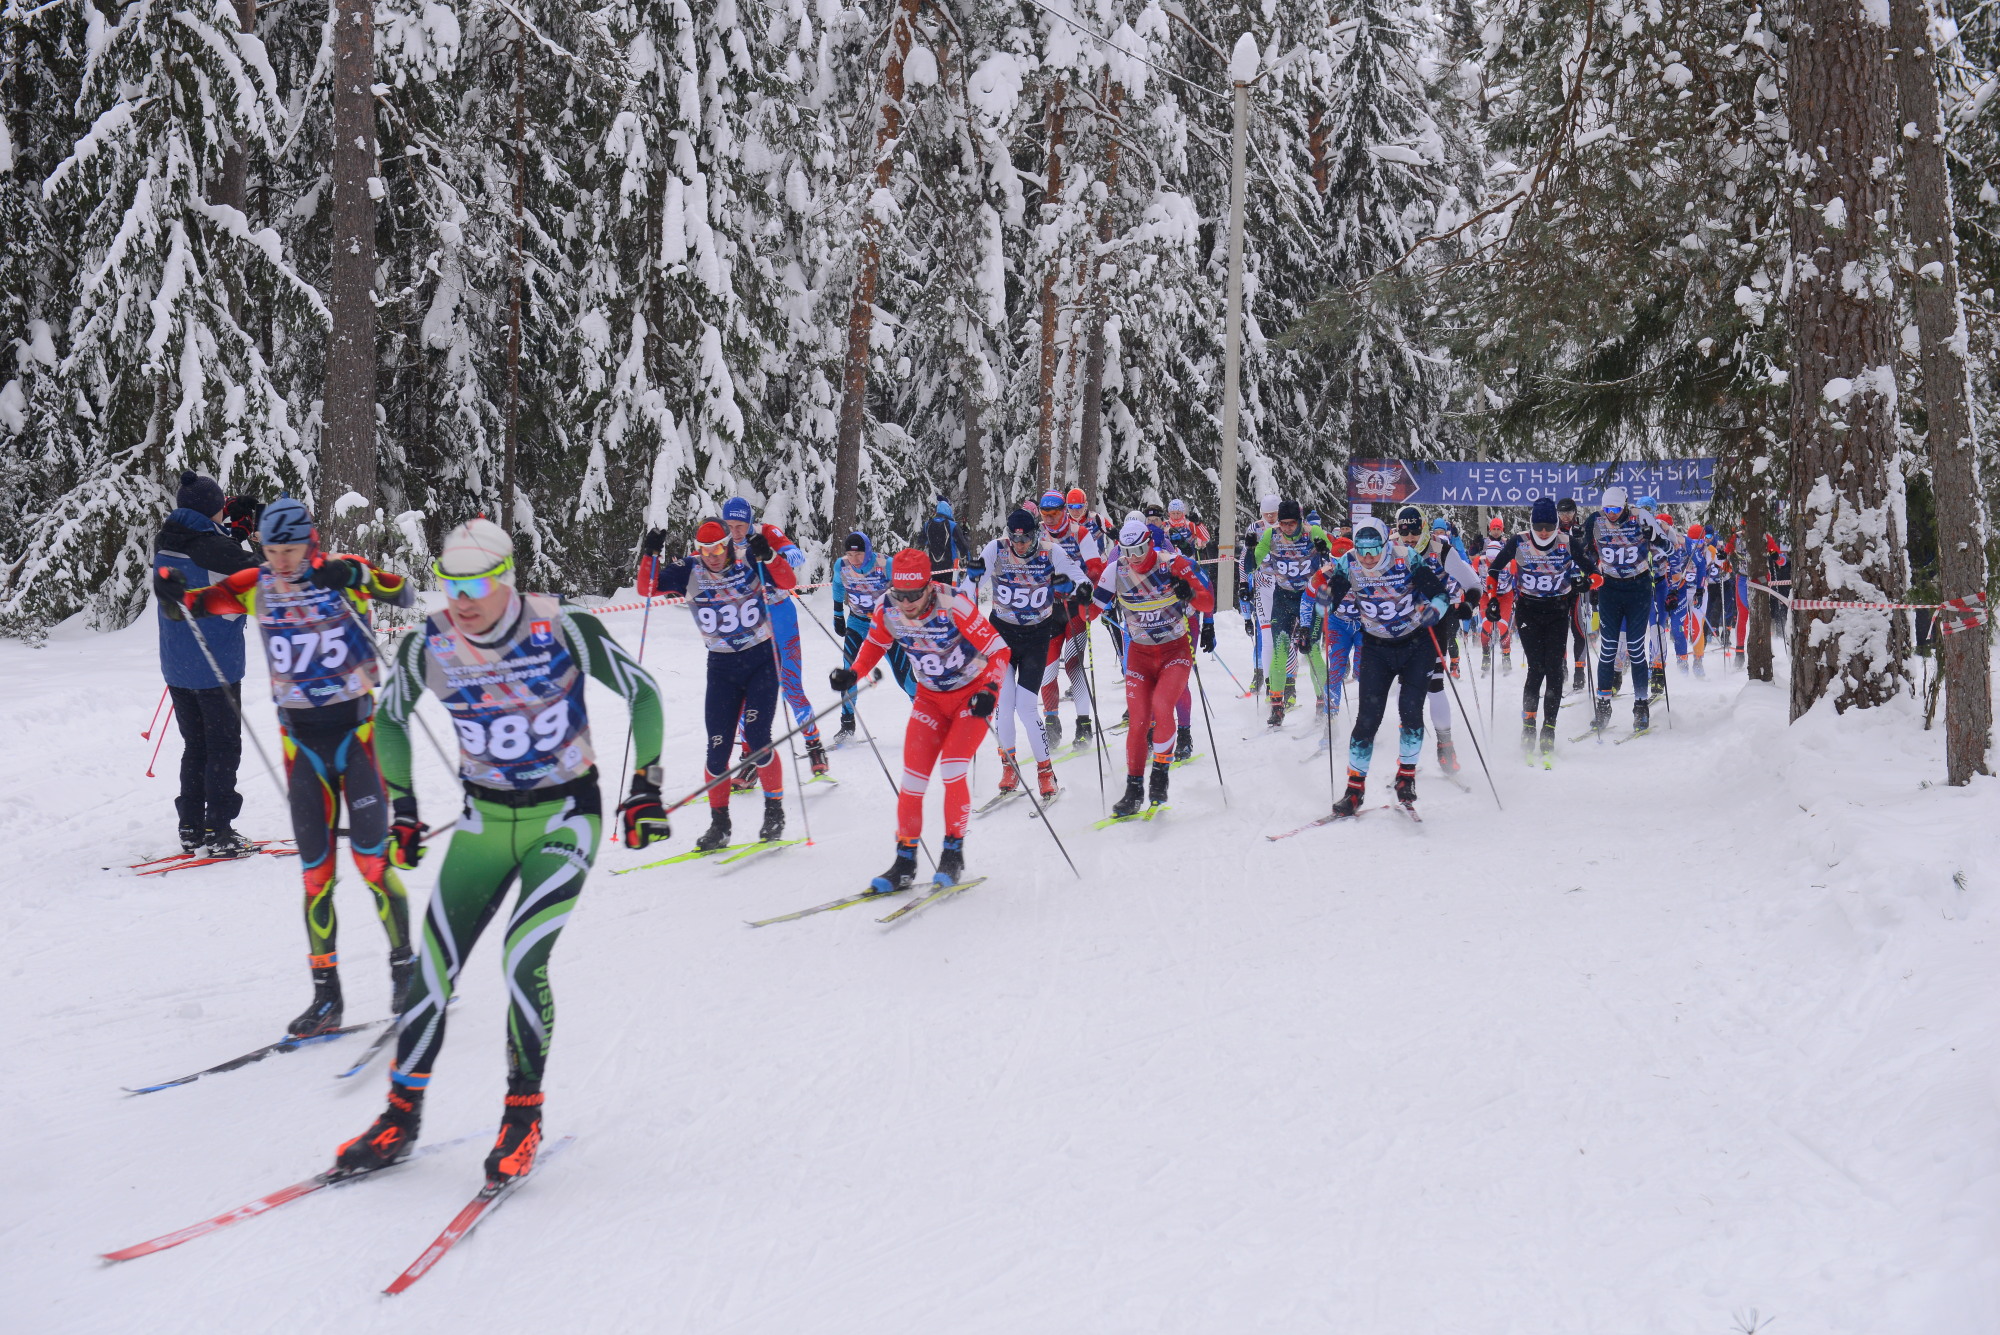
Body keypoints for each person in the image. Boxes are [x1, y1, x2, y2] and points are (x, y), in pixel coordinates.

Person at [333, 518, 667, 1189]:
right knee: (431, 969)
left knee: (522, 958)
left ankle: (522, 1116)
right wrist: (404, 807)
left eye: (476, 585)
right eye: (449, 584)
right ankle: (401, 1115)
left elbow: (643, 692)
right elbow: (389, 718)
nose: (460, 599)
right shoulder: (431, 642)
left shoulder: (562, 627)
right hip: (484, 820)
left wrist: (645, 787)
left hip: (564, 817)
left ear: (506, 579)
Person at [156, 496, 418, 1036]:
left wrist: (356, 576)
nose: (280, 561)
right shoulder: (257, 585)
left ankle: (405, 973)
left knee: (372, 866)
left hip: (356, 742)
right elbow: (193, 607)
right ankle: (327, 998)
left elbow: (404, 592)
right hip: (303, 752)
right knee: (316, 877)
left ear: (309, 542)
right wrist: (171, 594)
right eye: (272, 550)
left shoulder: (341, 572)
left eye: (290, 550)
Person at [829, 548, 1009, 892]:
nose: (906, 603)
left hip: (971, 695)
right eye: (900, 594)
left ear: (929, 586)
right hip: (930, 698)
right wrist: (854, 673)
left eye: (913, 595)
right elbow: (875, 643)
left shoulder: (953, 604)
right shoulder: (887, 607)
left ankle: (952, 855)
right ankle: (905, 862)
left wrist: (991, 688)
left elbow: (999, 649)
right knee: (913, 779)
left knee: (952, 769)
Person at [639, 520, 795, 850]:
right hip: (722, 667)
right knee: (716, 751)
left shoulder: (748, 559)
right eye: (705, 550)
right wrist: (650, 553)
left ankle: (774, 811)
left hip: (761, 660)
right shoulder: (689, 570)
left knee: (758, 739)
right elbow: (647, 588)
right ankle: (720, 824)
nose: (712, 556)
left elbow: (787, 582)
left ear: (729, 545)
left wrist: (770, 557)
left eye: (718, 548)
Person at [1306, 517, 1451, 815]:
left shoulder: (1405, 557)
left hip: (1415, 645)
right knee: (1367, 719)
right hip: (1376, 646)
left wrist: (1436, 610)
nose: (1368, 557)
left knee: (1410, 711)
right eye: (1363, 550)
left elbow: (1440, 594)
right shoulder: (1348, 562)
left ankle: (1406, 778)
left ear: (1386, 544)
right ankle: (1354, 790)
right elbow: (1328, 601)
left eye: (1374, 550)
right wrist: (1324, 601)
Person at [152, 470, 258, 854]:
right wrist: (251, 537)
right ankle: (219, 831)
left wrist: (234, 531)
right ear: (212, 508)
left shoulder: (169, 537)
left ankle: (192, 826)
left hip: (178, 666)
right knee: (223, 748)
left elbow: (212, 553)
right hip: (215, 666)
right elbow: (258, 571)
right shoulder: (213, 549)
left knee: (196, 746)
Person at [1083, 518, 1215, 817]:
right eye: (1127, 551)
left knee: (1162, 704)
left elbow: (1208, 603)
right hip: (1140, 656)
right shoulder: (1115, 570)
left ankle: (1159, 774)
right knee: (1139, 720)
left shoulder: (1173, 564)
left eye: (1140, 550)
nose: (1134, 558)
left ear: (1150, 544)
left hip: (1174, 651)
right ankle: (1133, 790)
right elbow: (1089, 613)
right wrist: (1076, 597)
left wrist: (1190, 594)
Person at [972, 509, 1089, 800]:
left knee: (1026, 707)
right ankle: (1009, 767)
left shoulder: (1051, 552)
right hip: (1001, 638)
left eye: (1025, 539)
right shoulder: (996, 549)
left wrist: (1073, 588)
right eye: (1015, 539)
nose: (1020, 544)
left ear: (1035, 535)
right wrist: (970, 580)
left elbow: (1082, 581)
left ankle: (1045, 773)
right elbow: (968, 586)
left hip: (1036, 637)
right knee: (1004, 704)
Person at [718, 498, 826, 778]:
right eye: (729, 526)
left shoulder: (767, 532)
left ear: (749, 522)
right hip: (748, 623)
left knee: (791, 686)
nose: (735, 532)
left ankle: (814, 745)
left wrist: (770, 555)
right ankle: (750, 759)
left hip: (779, 616)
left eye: (740, 526)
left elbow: (797, 557)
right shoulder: (725, 543)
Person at [1482, 497, 1595, 758]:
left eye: (1549, 527)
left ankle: (1549, 729)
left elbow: (1595, 573)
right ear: (1531, 525)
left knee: (1554, 670)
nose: (1544, 532)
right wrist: (1492, 599)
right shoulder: (1519, 541)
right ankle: (1529, 727)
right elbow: (1494, 570)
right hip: (1528, 611)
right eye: (1539, 527)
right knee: (1536, 669)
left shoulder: (1567, 542)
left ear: (1555, 525)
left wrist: (1586, 583)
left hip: (1557, 611)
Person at [1581, 485, 1673, 735]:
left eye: (1616, 509)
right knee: (1608, 647)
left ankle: (1640, 705)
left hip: (1638, 587)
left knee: (1635, 647)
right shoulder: (1595, 521)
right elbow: (1585, 552)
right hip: (1610, 588)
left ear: (1624, 506)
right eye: (1607, 509)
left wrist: (1655, 538)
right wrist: (1588, 573)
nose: (1611, 514)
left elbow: (1670, 549)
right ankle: (1603, 705)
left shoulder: (1641, 517)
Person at [1405, 508, 1480, 773]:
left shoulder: (1442, 551)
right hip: (1402, 625)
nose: (1410, 538)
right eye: (1404, 533)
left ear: (1424, 528)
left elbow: (1474, 583)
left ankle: (1445, 747)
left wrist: (1469, 604)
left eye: (1415, 532)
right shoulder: (1391, 548)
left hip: (1436, 621)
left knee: (1434, 685)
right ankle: (1408, 753)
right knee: (1407, 689)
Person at [1035, 489, 1106, 747]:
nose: (1049, 519)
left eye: (1054, 514)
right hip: (1049, 609)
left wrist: (1083, 587)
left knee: (1074, 665)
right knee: (1048, 668)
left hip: (1075, 608)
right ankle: (1051, 722)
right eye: (1044, 514)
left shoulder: (1079, 533)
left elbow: (1096, 569)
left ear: (1064, 511)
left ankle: (1083, 724)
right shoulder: (1038, 535)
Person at [830, 531, 915, 741]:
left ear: (868, 551)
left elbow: (907, 590)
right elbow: (838, 585)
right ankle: (847, 724)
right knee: (849, 672)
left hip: (886, 626)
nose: (854, 559)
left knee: (905, 679)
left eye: (859, 554)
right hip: (857, 623)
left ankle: (929, 719)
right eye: (850, 554)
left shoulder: (886, 564)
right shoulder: (842, 565)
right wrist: (838, 613)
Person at [1255, 499, 1329, 726]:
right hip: (1284, 597)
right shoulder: (1271, 535)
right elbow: (1254, 561)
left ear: (1300, 520)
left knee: (1312, 649)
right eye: (1283, 523)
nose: (1287, 528)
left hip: (1310, 598)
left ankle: (1323, 701)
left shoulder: (1313, 532)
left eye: (1291, 523)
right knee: (1280, 648)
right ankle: (1277, 707)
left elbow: (1336, 558)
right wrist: (1250, 552)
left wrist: (1325, 550)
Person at [1238, 494, 1282, 695]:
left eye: (1274, 514)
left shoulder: (1286, 526)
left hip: (1282, 584)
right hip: (1262, 583)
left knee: (1282, 633)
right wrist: (1243, 583)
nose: (1270, 518)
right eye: (1267, 514)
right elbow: (1244, 558)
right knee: (1263, 632)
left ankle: (1284, 678)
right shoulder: (1255, 528)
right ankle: (1260, 673)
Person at [1557, 497, 1592, 690]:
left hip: (1578, 586)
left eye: (1569, 513)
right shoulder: (1552, 531)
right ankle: (1561, 667)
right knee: (1559, 631)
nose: (1565, 517)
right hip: (1559, 587)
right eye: (1562, 513)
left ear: (1575, 513)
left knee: (1579, 629)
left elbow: (1591, 556)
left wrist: (1591, 583)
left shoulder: (1581, 530)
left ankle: (1580, 671)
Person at [1478, 514, 1516, 672]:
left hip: (1505, 594)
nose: (1493, 562)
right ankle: (1486, 654)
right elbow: (1467, 572)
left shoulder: (1508, 558)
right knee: (1486, 624)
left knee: (1502, 624)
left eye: (1498, 529)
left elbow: (1519, 572)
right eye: (1490, 559)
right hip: (1486, 594)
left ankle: (1506, 655)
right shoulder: (1480, 559)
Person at [922, 498, 971, 589]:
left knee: (935, 596)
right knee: (952, 596)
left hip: (933, 571)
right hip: (950, 571)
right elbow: (964, 549)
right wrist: (965, 535)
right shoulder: (953, 526)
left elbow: (921, 542)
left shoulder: (927, 525)